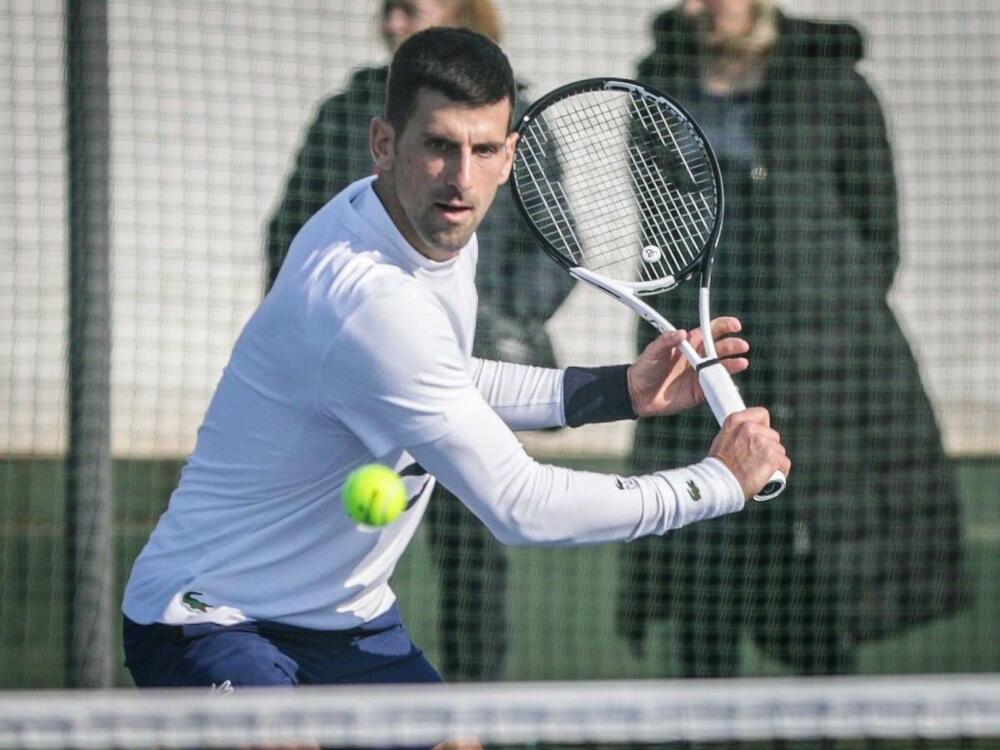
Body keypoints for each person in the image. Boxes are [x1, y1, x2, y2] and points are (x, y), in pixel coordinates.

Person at [122, 27, 789, 701]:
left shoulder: (429, 233)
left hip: (344, 619)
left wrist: (618, 390)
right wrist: (716, 484)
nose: (461, 178)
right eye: (439, 146)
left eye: (483, 149)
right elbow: (523, 508)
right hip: (212, 613)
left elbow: (447, 377)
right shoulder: (370, 300)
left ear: (510, 156)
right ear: (385, 143)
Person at [616, 0, 967, 677]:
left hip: (821, 380)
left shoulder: (836, 85)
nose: (696, 9)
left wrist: (815, 312)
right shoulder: (657, 87)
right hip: (704, 373)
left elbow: (878, 234)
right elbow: (658, 235)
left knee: (815, 585)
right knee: (703, 567)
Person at [264, 0, 574, 681]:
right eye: (386, 10)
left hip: (463, 383)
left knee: (472, 557)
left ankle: (469, 710)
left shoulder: (513, 120)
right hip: (355, 385)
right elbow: (290, 233)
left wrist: (491, 326)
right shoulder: (346, 114)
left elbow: (556, 247)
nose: (389, 24)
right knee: (323, 555)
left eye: (408, 8)